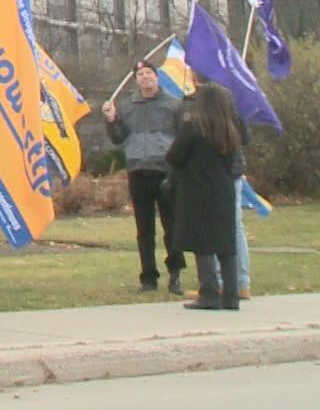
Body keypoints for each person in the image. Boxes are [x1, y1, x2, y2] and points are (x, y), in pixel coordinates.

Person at [104, 59, 185, 294]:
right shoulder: (128, 106)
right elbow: (119, 138)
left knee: (172, 225)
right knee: (144, 228)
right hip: (138, 171)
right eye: (141, 75)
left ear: (156, 77)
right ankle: (148, 277)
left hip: (165, 172)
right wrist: (111, 120)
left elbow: (181, 138)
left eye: (149, 73)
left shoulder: (173, 105)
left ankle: (175, 274)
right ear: (136, 80)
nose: (146, 78)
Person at [169, 82, 245, 310]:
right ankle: (231, 295)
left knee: (203, 243)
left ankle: (209, 292)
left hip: (196, 190)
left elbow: (174, 156)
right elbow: (237, 162)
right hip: (224, 191)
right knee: (226, 243)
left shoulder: (193, 127)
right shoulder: (230, 129)